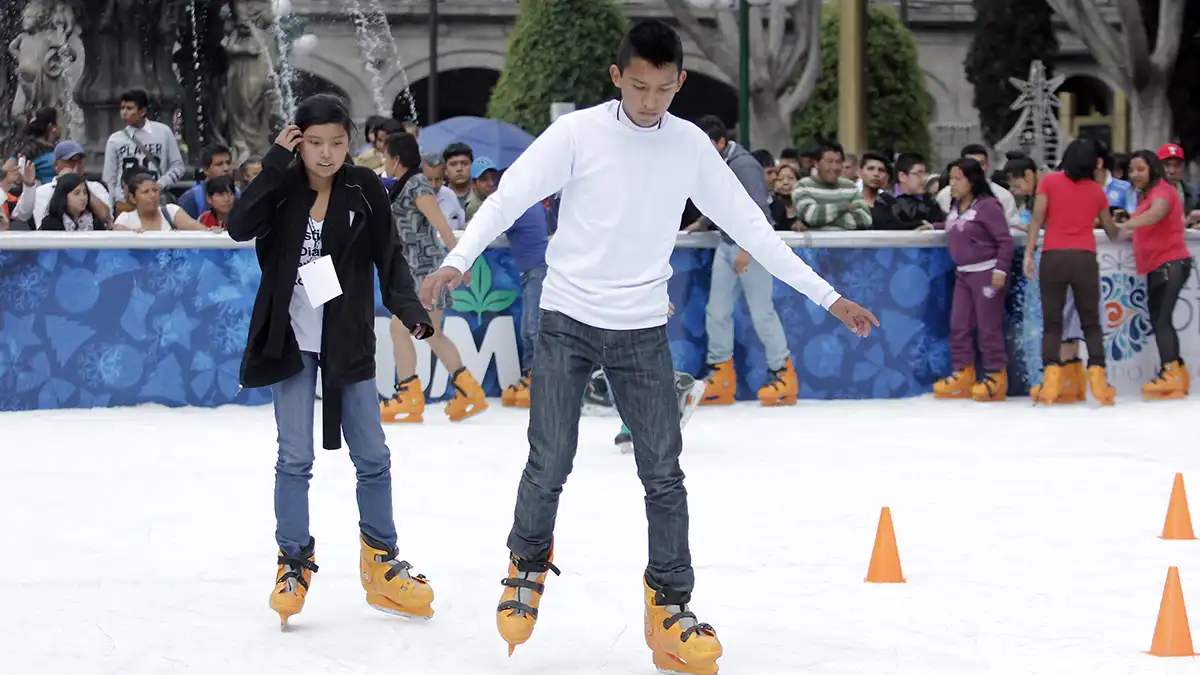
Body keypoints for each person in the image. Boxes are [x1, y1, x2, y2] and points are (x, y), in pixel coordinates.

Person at [418, 20, 878, 673]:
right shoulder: (577, 133)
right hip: (568, 318)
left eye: (664, 88)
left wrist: (829, 297)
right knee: (549, 459)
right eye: (639, 86)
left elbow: (754, 227)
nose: (650, 101)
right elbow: (508, 196)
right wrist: (457, 261)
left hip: (640, 327)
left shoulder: (691, 146)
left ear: (680, 82)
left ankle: (668, 603)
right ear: (617, 77)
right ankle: (525, 562)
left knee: (664, 472)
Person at [225, 94, 437, 628]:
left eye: (337, 143)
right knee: (294, 457)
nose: (326, 154)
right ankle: (293, 562)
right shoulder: (281, 186)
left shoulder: (365, 189)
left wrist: (409, 309)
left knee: (372, 454)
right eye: (314, 143)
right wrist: (275, 161)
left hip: (347, 340)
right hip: (290, 340)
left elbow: (389, 258)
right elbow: (239, 225)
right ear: (298, 141)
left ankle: (382, 562)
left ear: (353, 142)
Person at [687, 114, 801, 406]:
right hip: (726, 244)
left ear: (722, 142)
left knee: (762, 311)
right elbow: (720, 201)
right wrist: (702, 223)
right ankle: (721, 374)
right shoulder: (715, 163)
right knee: (717, 311)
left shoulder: (745, 165)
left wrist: (747, 250)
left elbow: (760, 212)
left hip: (750, 248)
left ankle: (783, 374)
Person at [378, 131, 488, 424]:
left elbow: (441, 225)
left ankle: (410, 395)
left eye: (386, 156)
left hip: (423, 272)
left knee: (400, 330)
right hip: (417, 270)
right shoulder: (407, 184)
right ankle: (469, 391)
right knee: (433, 334)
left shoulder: (416, 185)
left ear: (396, 158)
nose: (384, 161)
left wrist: (461, 263)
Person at [1023, 140, 1120, 405]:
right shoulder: (1097, 191)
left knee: (1053, 323)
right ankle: (1100, 385)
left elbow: (1038, 218)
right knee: (1091, 323)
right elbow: (1112, 231)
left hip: (1053, 257)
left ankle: (1051, 384)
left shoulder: (1049, 183)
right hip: (1084, 258)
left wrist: (1029, 253)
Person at [929, 158, 1013, 401]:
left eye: (957, 179)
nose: (952, 184)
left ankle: (996, 376)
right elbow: (953, 227)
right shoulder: (956, 206)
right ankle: (963, 373)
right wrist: (931, 226)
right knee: (959, 325)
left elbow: (1004, 240)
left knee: (988, 327)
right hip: (964, 274)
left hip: (987, 273)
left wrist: (1001, 270)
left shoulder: (988, 206)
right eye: (951, 178)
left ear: (972, 180)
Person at [1117, 149, 1194, 399]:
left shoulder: (1162, 191)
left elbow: (1158, 213)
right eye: (1132, 170)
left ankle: (1171, 373)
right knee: (1162, 320)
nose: (1135, 174)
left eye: (1140, 169)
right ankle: (1176, 371)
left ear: (1152, 169)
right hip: (1160, 266)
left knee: (1162, 321)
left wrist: (1127, 224)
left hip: (1169, 264)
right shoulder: (1146, 195)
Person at [112, 173, 207, 231]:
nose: (152, 195)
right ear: (133, 198)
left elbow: (198, 228)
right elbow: (116, 232)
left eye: (155, 190)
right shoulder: (126, 219)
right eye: (146, 192)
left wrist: (211, 232)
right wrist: (133, 234)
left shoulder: (171, 211)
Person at [38, 173, 105, 232]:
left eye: (85, 192)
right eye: (76, 193)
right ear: (63, 196)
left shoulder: (95, 222)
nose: (83, 197)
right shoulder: (49, 224)